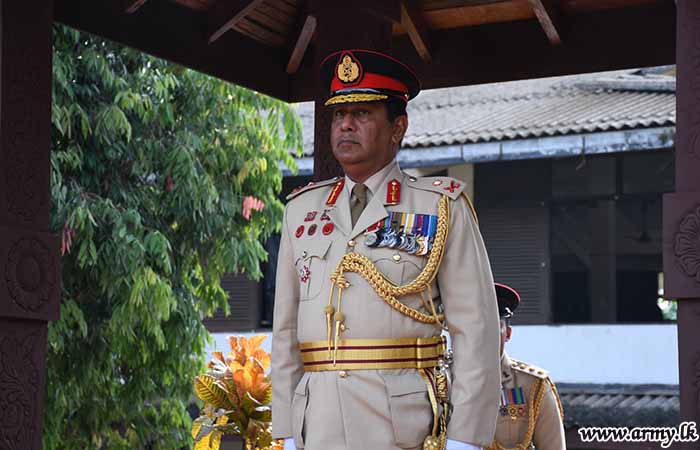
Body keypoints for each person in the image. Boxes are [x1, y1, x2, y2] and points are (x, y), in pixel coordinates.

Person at [271, 49, 500, 450]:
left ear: (398, 127)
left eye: (361, 113)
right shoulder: (301, 210)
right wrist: (287, 431)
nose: (345, 125)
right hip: (317, 424)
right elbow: (286, 331)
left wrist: (466, 439)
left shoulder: (439, 206)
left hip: (402, 426)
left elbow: (476, 330)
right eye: (338, 115)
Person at [489, 283, 566, 450]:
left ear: (508, 333)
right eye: (477, 326)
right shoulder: (444, 380)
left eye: (494, 326)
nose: (485, 334)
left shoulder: (532, 386)